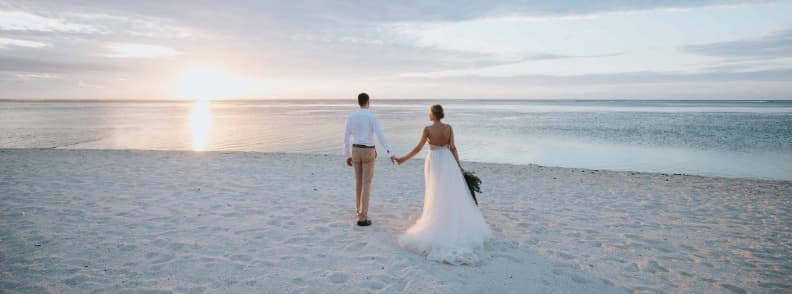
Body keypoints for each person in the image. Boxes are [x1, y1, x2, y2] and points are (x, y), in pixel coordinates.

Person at [394, 104, 491, 265]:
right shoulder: (449, 128)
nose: (428, 115)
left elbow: (418, 149)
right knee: (449, 191)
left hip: (434, 161)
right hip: (448, 161)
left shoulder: (427, 129)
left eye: (429, 112)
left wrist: (403, 159)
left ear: (433, 114)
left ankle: (437, 221)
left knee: (436, 192)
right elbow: (453, 148)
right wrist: (459, 166)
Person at [343, 93, 397, 226]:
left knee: (358, 182)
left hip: (355, 150)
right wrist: (390, 152)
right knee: (367, 183)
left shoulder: (351, 117)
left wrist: (347, 155)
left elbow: (346, 138)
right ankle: (363, 217)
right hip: (368, 151)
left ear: (358, 102)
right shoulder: (372, 117)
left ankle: (358, 210)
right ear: (368, 102)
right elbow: (380, 135)